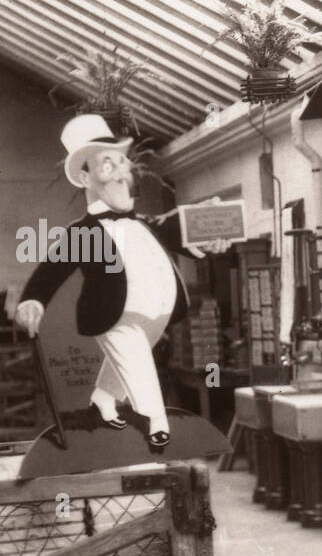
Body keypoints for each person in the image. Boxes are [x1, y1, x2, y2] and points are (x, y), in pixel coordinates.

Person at [14, 114, 229, 447]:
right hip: (115, 316)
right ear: (85, 178)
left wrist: (208, 235)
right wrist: (33, 299)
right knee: (136, 361)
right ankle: (156, 424)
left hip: (155, 317)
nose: (121, 175)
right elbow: (52, 268)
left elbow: (179, 230)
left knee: (129, 358)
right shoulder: (84, 233)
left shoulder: (146, 223)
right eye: (107, 165)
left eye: (122, 164)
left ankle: (102, 398)